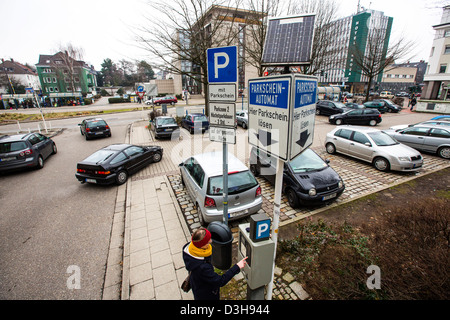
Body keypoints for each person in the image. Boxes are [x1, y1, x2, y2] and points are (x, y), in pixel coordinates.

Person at [182, 227, 247, 300]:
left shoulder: (190, 248)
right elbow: (220, 281)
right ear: (202, 245)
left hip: (196, 285)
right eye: (208, 241)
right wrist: (237, 267)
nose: (211, 241)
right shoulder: (203, 267)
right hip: (206, 294)